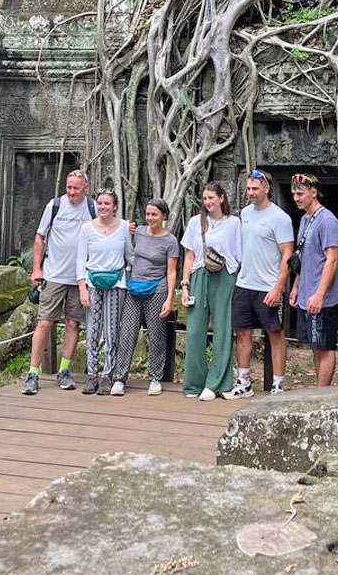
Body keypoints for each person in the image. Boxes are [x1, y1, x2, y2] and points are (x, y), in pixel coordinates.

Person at [23, 170, 96, 394]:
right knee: (44, 322)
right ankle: (33, 372)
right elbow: (40, 236)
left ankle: (64, 371)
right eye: (68, 187)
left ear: (85, 188)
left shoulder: (92, 207)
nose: (71, 192)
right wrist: (37, 268)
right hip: (54, 274)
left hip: (80, 276)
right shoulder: (55, 206)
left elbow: (105, 230)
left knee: (73, 323)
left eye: (75, 188)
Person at [228, 170, 295, 398]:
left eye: (255, 189)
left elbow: (287, 254)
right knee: (242, 333)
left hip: (268, 285)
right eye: (248, 189)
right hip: (244, 282)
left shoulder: (280, 218)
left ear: (267, 188)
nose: (251, 193)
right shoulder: (244, 214)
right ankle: (244, 382)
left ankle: (278, 384)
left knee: (274, 333)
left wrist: (278, 287)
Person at [180, 182, 242, 401]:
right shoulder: (195, 222)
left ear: (221, 198)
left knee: (223, 330)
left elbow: (239, 254)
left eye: (211, 198)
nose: (208, 202)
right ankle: (194, 382)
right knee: (195, 331)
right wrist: (185, 284)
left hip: (224, 276)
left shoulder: (234, 223)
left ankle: (217, 382)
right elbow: (189, 255)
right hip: (199, 275)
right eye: (205, 198)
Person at [114, 198, 180, 396]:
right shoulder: (138, 232)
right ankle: (119, 377)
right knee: (127, 332)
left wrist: (169, 299)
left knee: (156, 333)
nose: (150, 218)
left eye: (155, 214)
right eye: (148, 214)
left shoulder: (170, 241)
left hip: (157, 288)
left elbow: (171, 272)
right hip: (134, 287)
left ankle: (155, 377)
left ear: (164, 216)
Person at [288, 173, 338, 386]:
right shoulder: (304, 219)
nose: (296, 198)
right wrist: (295, 286)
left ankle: (321, 393)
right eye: (293, 193)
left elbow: (331, 260)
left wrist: (319, 294)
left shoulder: (327, 220)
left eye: (300, 193)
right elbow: (303, 256)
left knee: (326, 346)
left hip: (323, 297)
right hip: (306, 292)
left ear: (314, 192)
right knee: (315, 344)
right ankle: (318, 390)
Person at [76, 190, 133, 395]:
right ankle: (92, 374)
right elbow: (81, 259)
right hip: (92, 281)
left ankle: (107, 375)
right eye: (100, 203)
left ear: (115, 206)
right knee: (92, 329)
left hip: (116, 282)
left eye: (107, 203)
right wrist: (82, 287)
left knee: (111, 331)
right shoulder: (87, 229)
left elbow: (130, 256)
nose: (102, 207)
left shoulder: (124, 227)